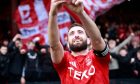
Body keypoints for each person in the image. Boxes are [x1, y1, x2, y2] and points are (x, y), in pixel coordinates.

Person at [48, 0, 110, 84]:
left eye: (80, 32)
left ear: (89, 40)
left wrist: (81, 13)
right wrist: (53, 14)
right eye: (72, 34)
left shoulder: (98, 57)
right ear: (68, 43)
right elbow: (54, 46)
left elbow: (97, 40)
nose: (76, 35)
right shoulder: (64, 60)